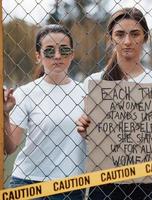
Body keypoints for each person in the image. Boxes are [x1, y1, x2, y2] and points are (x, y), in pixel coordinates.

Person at [76, 7, 152, 200]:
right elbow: (88, 140)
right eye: (120, 34)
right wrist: (84, 128)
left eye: (135, 34)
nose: (127, 41)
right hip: (104, 184)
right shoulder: (94, 83)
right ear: (111, 38)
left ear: (145, 37)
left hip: (147, 184)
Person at [4, 24, 86, 200]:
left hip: (70, 186)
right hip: (28, 184)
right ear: (38, 56)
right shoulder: (25, 93)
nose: (57, 56)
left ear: (72, 54)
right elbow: (10, 147)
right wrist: (4, 115)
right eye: (49, 51)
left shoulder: (86, 93)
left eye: (64, 50)